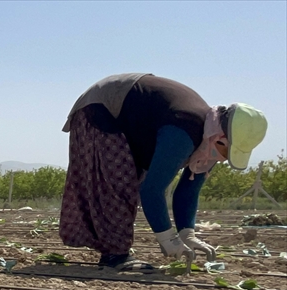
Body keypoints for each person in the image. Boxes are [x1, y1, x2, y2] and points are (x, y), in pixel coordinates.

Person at [60, 74, 267, 271]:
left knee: (128, 178)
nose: (223, 158)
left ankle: (114, 249)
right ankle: (115, 255)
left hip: (131, 118)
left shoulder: (210, 142)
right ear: (220, 137)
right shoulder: (185, 130)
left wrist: (187, 234)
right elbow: (152, 190)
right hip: (103, 106)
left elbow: (188, 190)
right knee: (119, 182)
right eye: (227, 151)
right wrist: (168, 239)